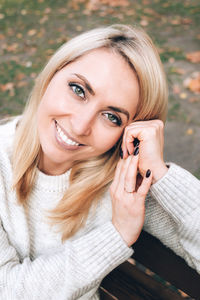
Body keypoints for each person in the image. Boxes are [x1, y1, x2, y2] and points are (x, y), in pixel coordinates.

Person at [0, 24, 199, 300]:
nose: (81, 126)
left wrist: (162, 176)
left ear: (129, 133)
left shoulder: (123, 186)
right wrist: (116, 235)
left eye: (112, 117)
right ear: (52, 74)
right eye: (78, 90)